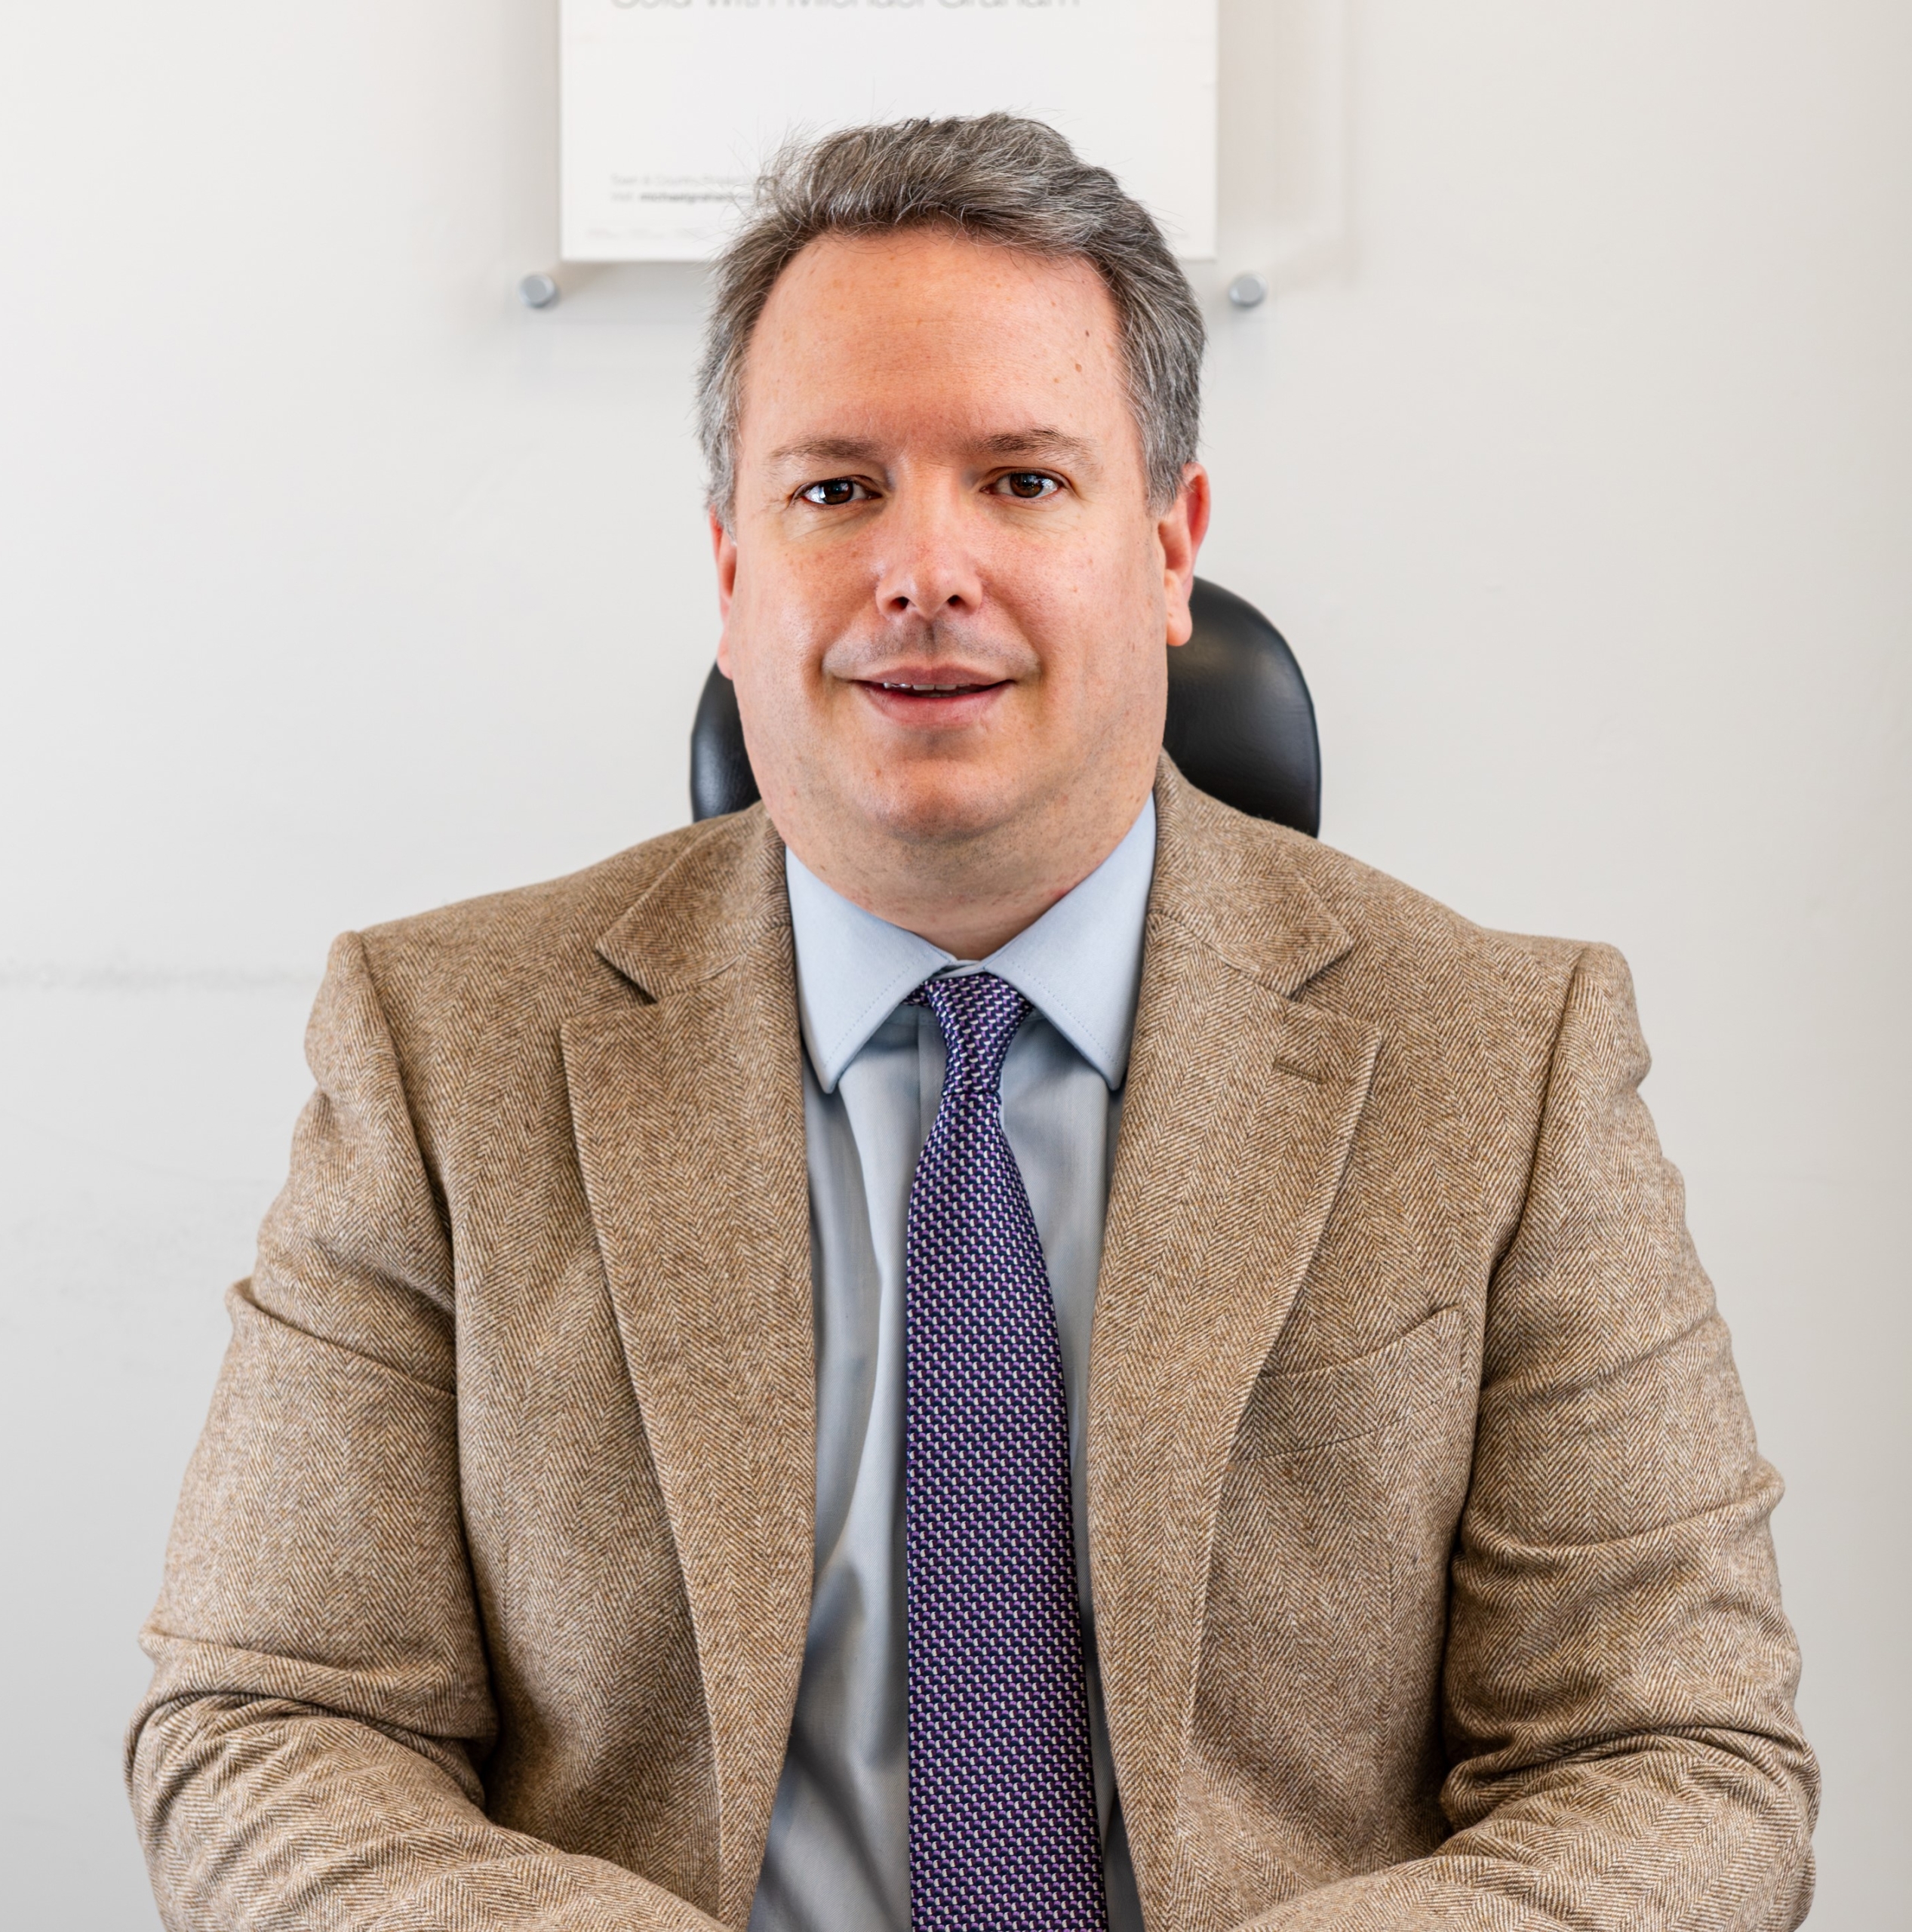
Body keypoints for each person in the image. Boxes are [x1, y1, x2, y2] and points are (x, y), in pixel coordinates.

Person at [128, 115, 1816, 1932]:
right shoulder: (439, 1049)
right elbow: (267, 1721)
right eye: (833, 490)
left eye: (1019, 479)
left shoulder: (1501, 1059)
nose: (922, 568)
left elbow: (1678, 1759)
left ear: (1166, 548)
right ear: (728, 570)